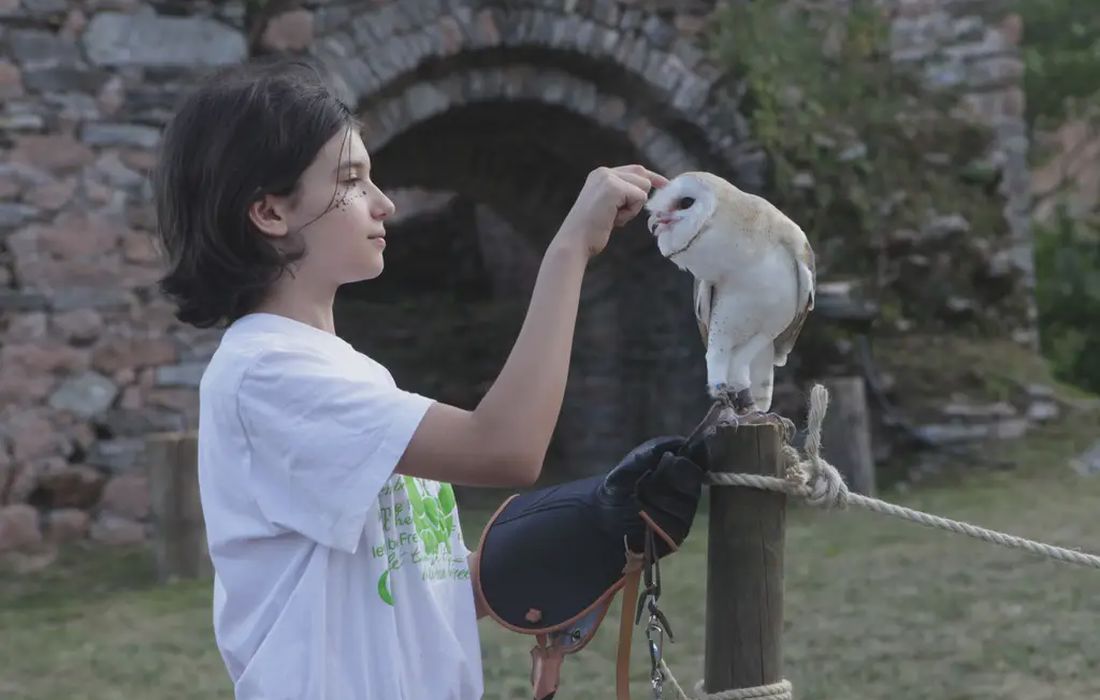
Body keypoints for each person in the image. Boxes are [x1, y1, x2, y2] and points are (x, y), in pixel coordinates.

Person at [152, 55, 706, 700]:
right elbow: (505, 448)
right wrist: (567, 251)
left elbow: (410, 583)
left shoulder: (340, 370)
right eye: (353, 180)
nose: (383, 203)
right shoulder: (267, 372)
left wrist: (589, 528)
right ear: (270, 213)